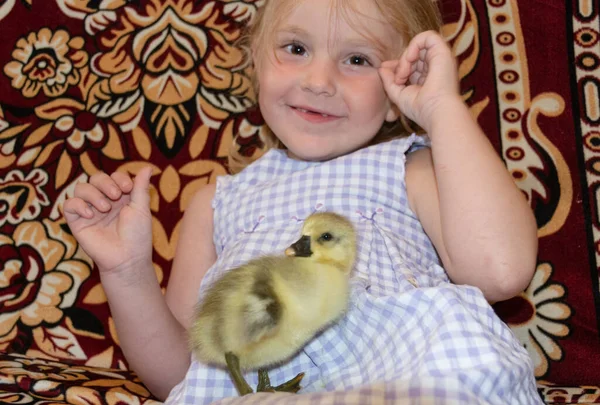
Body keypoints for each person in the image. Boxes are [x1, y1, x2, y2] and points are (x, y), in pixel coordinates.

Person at [63, 0, 542, 403]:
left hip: (405, 381)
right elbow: (184, 374)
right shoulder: (217, 202)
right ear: (256, 61)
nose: (318, 81)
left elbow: (500, 271)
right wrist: (127, 272)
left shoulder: (412, 169)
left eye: (357, 60)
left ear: (403, 86)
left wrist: (441, 110)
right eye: (295, 49)